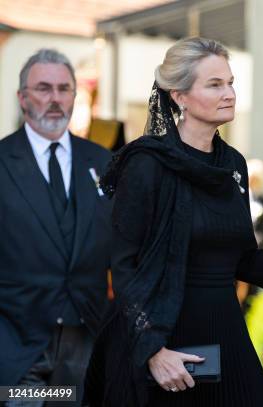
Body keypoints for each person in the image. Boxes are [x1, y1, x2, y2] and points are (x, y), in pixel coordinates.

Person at [84, 37, 263, 407]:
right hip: (163, 340)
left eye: (230, 82)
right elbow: (123, 268)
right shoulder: (146, 165)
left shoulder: (233, 165)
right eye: (214, 84)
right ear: (179, 96)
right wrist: (153, 351)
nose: (229, 92)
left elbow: (244, 259)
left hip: (226, 335)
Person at [0, 49, 112, 405]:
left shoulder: (103, 162)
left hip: (86, 342)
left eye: (64, 89)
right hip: (17, 347)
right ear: (22, 97)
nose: (55, 99)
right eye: (43, 88)